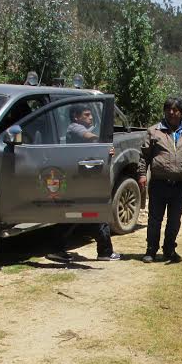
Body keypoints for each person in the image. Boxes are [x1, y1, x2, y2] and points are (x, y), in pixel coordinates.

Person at [137, 98, 182, 263]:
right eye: (168, 109)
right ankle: (151, 250)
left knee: (174, 219)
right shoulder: (154, 131)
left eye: (175, 110)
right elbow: (144, 155)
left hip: (180, 185)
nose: (171, 112)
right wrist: (142, 174)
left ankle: (169, 249)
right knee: (155, 219)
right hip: (159, 183)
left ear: (181, 113)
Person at [63, 104, 120, 261]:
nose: (91, 117)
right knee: (91, 212)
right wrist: (105, 142)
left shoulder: (79, 128)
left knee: (81, 214)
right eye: (86, 115)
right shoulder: (75, 128)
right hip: (80, 180)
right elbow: (91, 138)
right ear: (76, 116)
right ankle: (105, 251)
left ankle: (104, 251)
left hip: (85, 179)